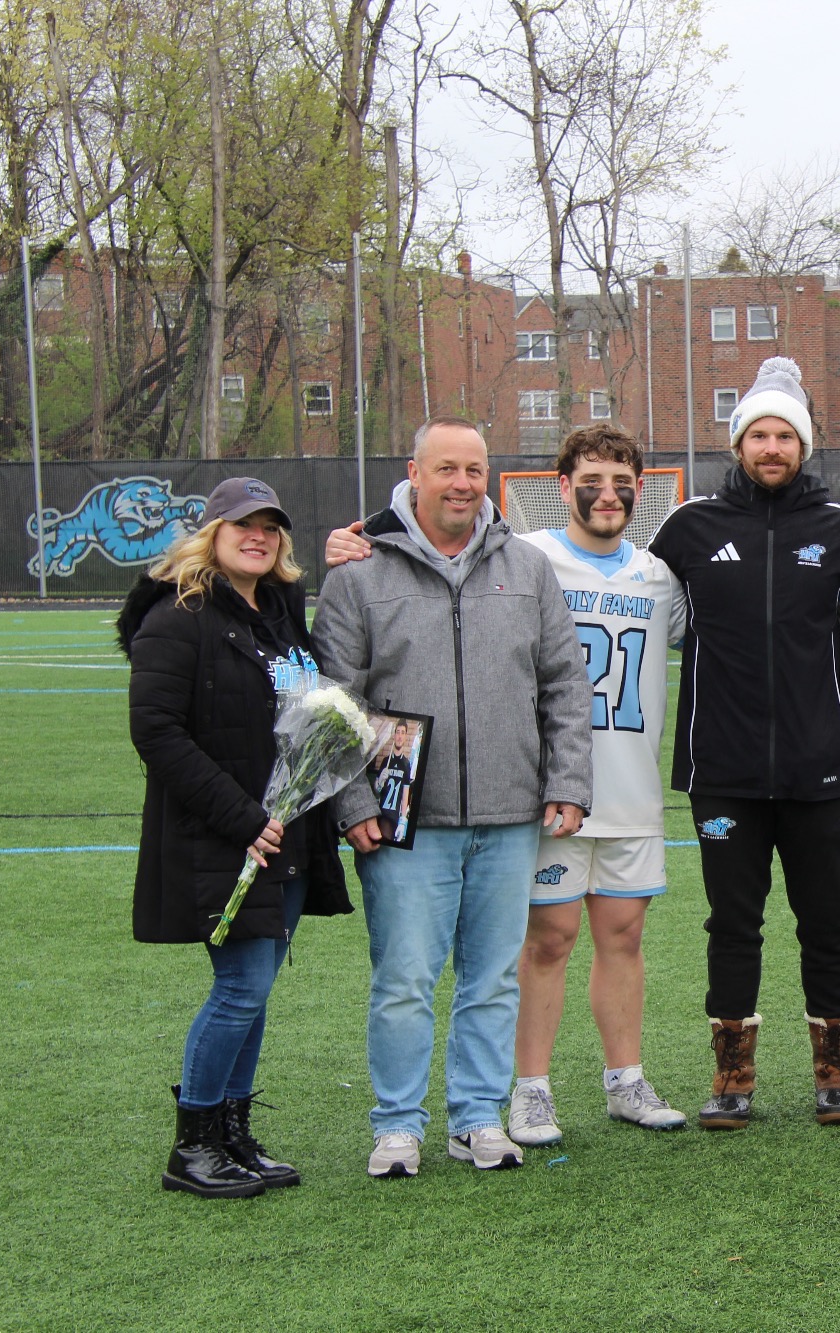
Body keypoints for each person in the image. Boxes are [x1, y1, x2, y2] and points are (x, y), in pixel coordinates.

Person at [326, 422, 689, 1143]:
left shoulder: (656, 575)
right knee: (531, 943)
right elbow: (343, 679)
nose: (608, 495)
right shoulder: (532, 556)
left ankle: (613, 1079)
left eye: (622, 484)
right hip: (500, 795)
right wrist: (350, 542)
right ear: (560, 489)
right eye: (591, 481)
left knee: (616, 935)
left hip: (607, 788)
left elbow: (719, 634)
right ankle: (515, 1091)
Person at [313, 415, 594, 1177]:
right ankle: (397, 1124)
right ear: (415, 471)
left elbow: (565, 683)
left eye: (475, 469)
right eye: (448, 469)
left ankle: (478, 1117)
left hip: (509, 814)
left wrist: (567, 780)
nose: (463, 483)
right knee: (403, 979)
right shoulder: (359, 571)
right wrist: (353, 803)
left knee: (492, 977)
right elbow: (334, 702)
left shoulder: (527, 567)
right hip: (407, 820)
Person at [647, 356, 840, 1130]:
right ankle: (731, 1078)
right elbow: (611, 569)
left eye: (786, 435)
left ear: (805, 446)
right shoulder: (690, 526)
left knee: (827, 923)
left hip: (818, 768)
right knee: (732, 924)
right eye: (759, 434)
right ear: (738, 443)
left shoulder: (839, 529)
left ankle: (835, 1074)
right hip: (724, 770)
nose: (772, 447)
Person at [119, 476, 347, 1198]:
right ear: (210, 532)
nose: (259, 535)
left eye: (271, 526)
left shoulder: (277, 612)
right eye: (242, 523)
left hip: (286, 836)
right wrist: (244, 817)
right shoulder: (177, 616)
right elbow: (156, 731)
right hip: (226, 836)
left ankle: (232, 1135)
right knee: (241, 985)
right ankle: (192, 1148)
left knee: (257, 987)